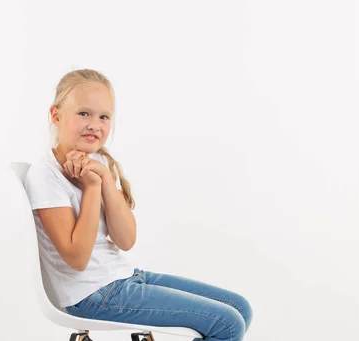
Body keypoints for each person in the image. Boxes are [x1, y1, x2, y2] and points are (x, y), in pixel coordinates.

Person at [24, 69, 253, 341]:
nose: (94, 124)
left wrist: (106, 179)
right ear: (56, 115)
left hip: (123, 277)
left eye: (104, 116)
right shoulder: (45, 175)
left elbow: (125, 239)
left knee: (240, 309)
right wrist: (92, 189)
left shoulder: (99, 163)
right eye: (83, 113)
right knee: (227, 324)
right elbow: (77, 259)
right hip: (90, 294)